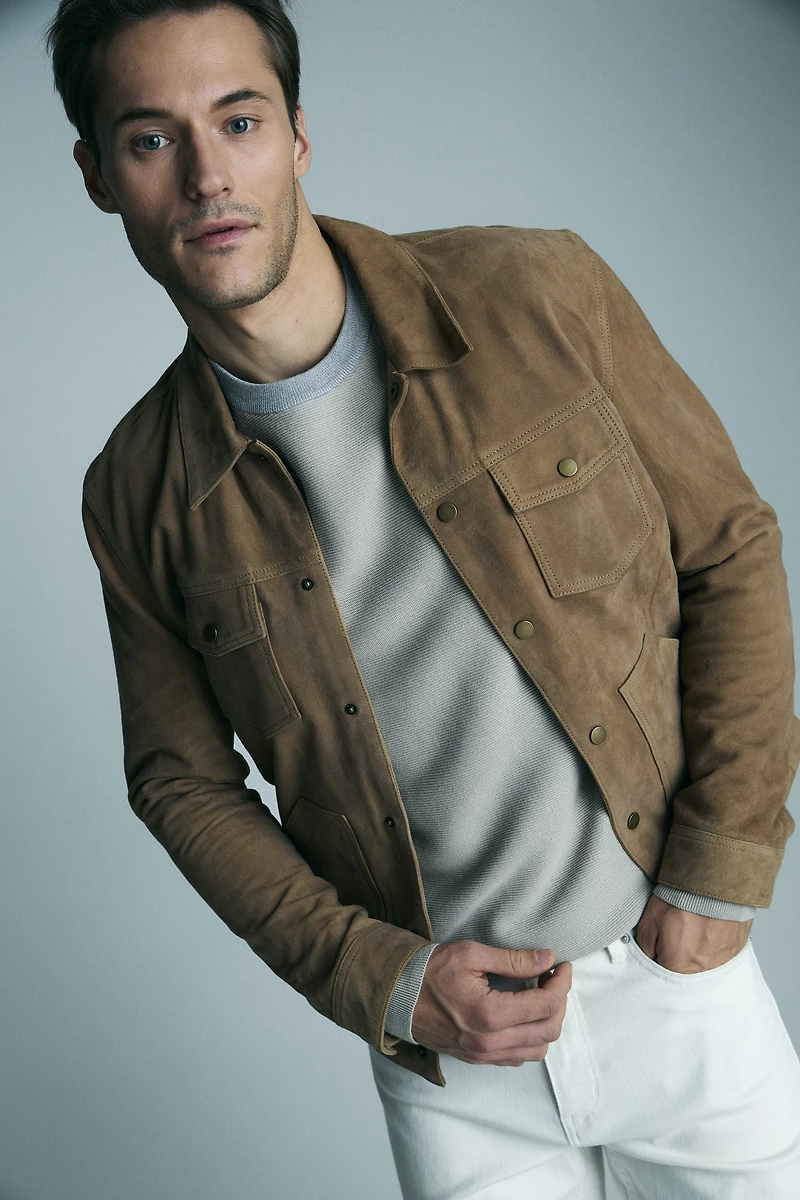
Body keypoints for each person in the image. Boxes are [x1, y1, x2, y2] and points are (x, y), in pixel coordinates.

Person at [45, 0, 800, 1195]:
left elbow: (727, 547)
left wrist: (719, 869)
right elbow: (178, 779)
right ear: (97, 175)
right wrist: (383, 982)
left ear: (298, 134)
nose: (205, 176)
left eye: (238, 121)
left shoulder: (533, 291)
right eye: (150, 139)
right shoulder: (137, 491)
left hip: (674, 990)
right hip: (453, 1065)